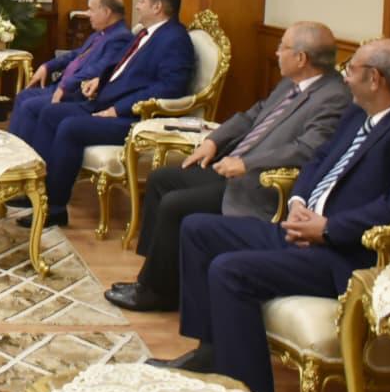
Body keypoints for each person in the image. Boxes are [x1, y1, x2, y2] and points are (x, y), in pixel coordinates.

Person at [159, 39, 390, 392]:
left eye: (351, 69)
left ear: (375, 78)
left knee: (229, 270)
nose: (345, 77)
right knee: (197, 228)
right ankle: (211, 353)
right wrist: (299, 200)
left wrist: (328, 228)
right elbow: (319, 159)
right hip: (305, 229)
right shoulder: (359, 112)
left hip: (351, 256)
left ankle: (248, 390)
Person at [106, 21, 351, 312]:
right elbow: (252, 116)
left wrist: (246, 163)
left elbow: (306, 149)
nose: (276, 53)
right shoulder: (290, 83)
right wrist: (213, 141)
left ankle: (156, 293)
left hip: (257, 183)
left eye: (282, 47)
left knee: (175, 204)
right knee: (162, 179)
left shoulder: (334, 97)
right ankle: (156, 277)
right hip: (231, 165)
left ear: (301, 58)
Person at [17, 0, 194, 228]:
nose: (137, 5)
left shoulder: (175, 39)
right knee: (49, 112)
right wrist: (98, 81)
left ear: (157, 7)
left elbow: (169, 89)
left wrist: (118, 109)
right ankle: (36, 192)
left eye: (142, 0)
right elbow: (123, 68)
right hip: (104, 101)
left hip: (135, 118)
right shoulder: (144, 33)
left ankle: (54, 208)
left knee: (70, 127)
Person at [9, 0, 132, 142]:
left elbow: (99, 70)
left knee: (29, 106)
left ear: (106, 12)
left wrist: (66, 85)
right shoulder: (99, 34)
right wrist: (47, 66)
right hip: (62, 86)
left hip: (76, 93)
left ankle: (27, 153)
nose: (88, 14)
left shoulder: (121, 38)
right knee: (23, 96)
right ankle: (13, 148)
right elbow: (75, 55)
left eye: (91, 9)